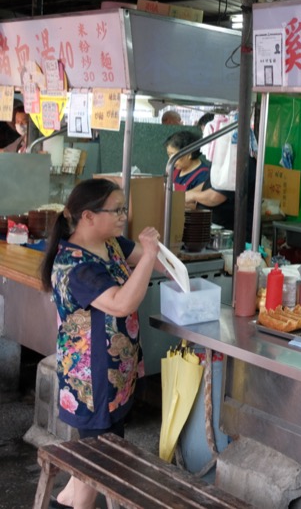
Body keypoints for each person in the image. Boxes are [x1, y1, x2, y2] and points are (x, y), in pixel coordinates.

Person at [40, 179, 161, 509]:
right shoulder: (76, 266)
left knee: (100, 450)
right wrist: (149, 254)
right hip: (92, 382)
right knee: (102, 458)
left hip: (115, 374)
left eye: (124, 208)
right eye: (117, 209)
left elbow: (157, 263)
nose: (124, 215)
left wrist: (156, 256)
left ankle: (63, 501)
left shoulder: (110, 244)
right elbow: (122, 303)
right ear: (88, 216)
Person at [164, 131, 210, 202]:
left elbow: (197, 205)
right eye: (169, 155)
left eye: (173, 155)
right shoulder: (173, 169)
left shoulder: (203, 175)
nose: (171, 160)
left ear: (189, 154)